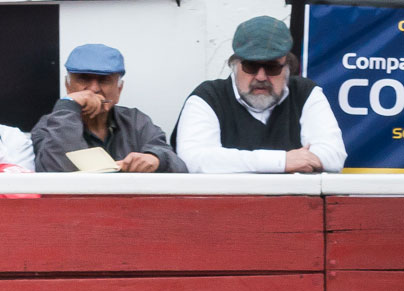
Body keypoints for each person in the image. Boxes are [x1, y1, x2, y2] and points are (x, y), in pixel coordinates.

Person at [172, 16, 346, 174]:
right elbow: (194, 159)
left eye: (272, 67)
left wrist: (234, 162)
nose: (261, 77)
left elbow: (334, 155)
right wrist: (282, 162)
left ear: (287, 67)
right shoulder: (208, 97)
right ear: (234, 65)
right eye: (251, 66)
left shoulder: (305, 93)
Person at [31, 44, 186, 173]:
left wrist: (157, 159)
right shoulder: (50, 124)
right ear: (68, 86)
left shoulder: (136, 122)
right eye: (83, 78)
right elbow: (58, 171)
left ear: (119, 89)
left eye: (104, 80)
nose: (93, 89)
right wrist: (68, 106)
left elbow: (180, 167)